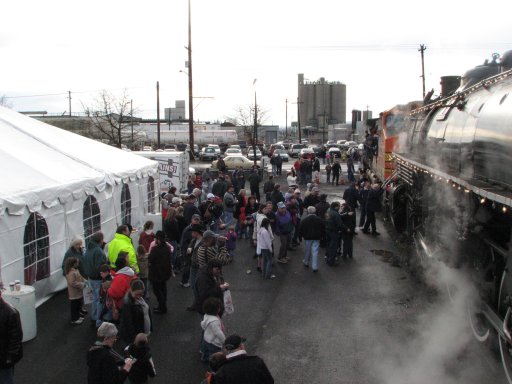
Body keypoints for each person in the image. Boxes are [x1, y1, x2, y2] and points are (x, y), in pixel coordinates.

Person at [83, 231, 108, 327]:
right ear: (100, 240)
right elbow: (101, 266)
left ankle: (94, 317)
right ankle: (98, 320)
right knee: (99, 300)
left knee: (94, 299)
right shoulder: (98, 251)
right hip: (98, 279)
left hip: (90, 278)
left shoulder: (88, 249)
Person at [0, 289, 23, 384]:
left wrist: (9, 358)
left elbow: (16, 338)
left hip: (4, 359)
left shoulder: (10, 312)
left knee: (6, 380)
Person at [148, 231, 173, 314]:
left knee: (157, 291)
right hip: (165, 273)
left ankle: (162, 307)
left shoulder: (155, 249)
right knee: (163, 289)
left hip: (156, 274)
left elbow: (150, 259)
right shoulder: (167, 248)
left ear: (158, 239)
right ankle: (162, 305)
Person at [119, 279, 152, 344]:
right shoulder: (127, 304)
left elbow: (147, 312)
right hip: (135, 336)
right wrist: (134, 339)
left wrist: (150, 328)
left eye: (141, 294)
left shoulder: (140, 300)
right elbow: (128, 324)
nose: (139, 297)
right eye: (137, 294)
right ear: (131, 290)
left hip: (142, 333)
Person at [299, 206, 325, 272]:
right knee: (315, 251)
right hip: (317, 238)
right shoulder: (319, 219)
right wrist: (322, 236)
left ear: (308, 211)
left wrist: (301, 237)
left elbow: (301, 230)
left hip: (308, 238)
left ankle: (306, 262)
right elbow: (323, 229)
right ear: (315, 211)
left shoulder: (304, 220)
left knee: (307, 250)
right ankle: (315, 266)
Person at [200, 297, 226, 362]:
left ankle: (204, 358)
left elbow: (203, 325)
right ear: (217, 309)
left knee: (205, 350)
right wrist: (224, 341)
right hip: (214, 342)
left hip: (206, 338)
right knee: (214, 355)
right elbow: (218, 333)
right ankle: (212, 366)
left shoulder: (206, 315)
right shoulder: (214, 321)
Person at [64, 257, 88, 324]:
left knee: (78, 305)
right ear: (74, 264)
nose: (78, 264)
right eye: (77, 263)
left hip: (78, 292)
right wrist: (82, 284)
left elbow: (81, 277)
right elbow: (72, 283)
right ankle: (74, 319)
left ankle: (77, 316)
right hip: (74, 293)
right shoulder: (71, 273)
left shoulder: (76, 270)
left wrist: (85, 281)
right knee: (74, 307)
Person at [325, 202, 342, 266]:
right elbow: (339, 224)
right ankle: (331, 261)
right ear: (336, 207)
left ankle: (327, 257)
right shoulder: (336, 214)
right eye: (339, 206)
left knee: (328, 245)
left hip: (327, 230)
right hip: (334, 232)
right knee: (333, 247)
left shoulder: (328, 211)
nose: (339, 208)